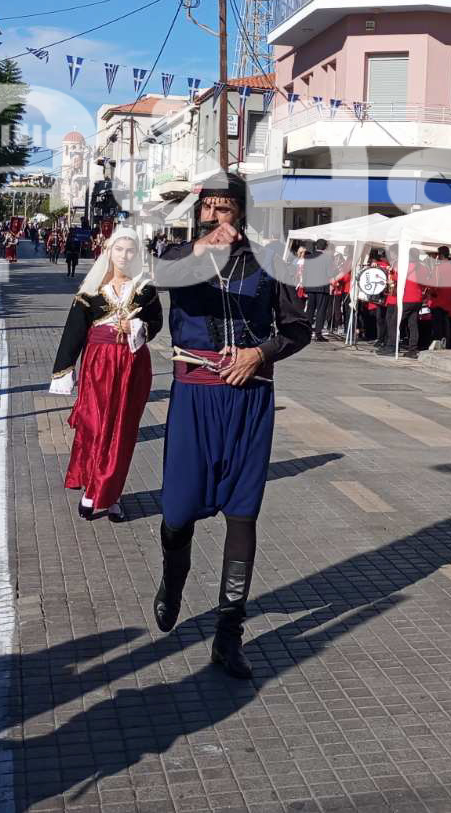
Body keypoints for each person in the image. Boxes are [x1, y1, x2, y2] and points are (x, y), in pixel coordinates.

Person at [150, 172, 310, 679]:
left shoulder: (268, 261)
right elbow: (158, 276)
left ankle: (228, 635)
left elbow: (298, 329)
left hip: (250, 399)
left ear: (242, 212)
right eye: (208, 207)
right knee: (178, 513)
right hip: (195, 399)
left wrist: (260, 353)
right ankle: (173, 579)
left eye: (224, 208)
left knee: (243, 514)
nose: (214, 216)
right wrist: (203, 248)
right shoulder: (178, 255)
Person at [49, 227, 163, 523]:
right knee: (95, 427)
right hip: (99, 366)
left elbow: (156, 322)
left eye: (130, 250)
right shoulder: (91, 288)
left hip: (133, 366)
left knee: (122, 432)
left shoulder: (145, 289)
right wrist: (64, 368)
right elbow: (74, 330)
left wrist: (137, 327)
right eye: (119, 249)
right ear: (109, 251)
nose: (124, 256)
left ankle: (110, 494)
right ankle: (94, 488)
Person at [301, 238, 332, 343]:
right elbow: (330, 273)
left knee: (309, 310)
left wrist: (305, 287)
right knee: (321, 311)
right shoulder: (327, 258)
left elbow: (304, 273)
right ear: (325, 247)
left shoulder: (308, 257)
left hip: (310, 287)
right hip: (322, 288)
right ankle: (318, 333)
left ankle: (307, 332)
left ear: (316, 246)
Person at [429, 246, 451, 349]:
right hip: (449, 299)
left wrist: (431, 292)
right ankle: (446, 343)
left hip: (438, 299)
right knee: (446, 323)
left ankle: (438, 343)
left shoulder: (438, 268)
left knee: (437, 325)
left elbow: (434, 284)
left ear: (440, 255)